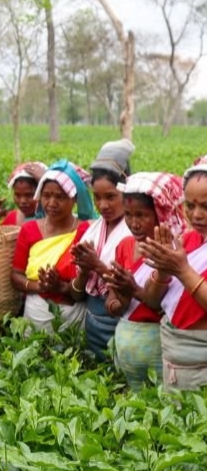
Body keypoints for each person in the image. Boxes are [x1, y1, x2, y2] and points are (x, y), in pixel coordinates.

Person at [103, 172, 185, 390]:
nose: (133, 223)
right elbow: (114, 304)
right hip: (127, 344)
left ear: (160, 214)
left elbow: (159, 304)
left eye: (141, 215)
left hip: (158, 346)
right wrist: (118, 300)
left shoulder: (174, 253)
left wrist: (132, 289)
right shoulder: (124, 246)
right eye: (128, 214)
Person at [137, 156, 207, 390]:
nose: (196, 215)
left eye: (206, 206)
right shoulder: (186, 241)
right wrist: (163, 269)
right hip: (175, 360)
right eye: (190, 205)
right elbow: (152, 300)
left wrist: (182, 270)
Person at [11, 160, 93, 331]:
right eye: (46, 196)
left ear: (74, 199)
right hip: (36, 309)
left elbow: (86, 282)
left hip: (73, 313)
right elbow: (16, 276)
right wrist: (38, 286)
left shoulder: (86, 231)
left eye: (60, 197)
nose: (51, 203)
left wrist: (62, 287)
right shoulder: (30, 229)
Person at [71, 139, 134, 359]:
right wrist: (85, 270)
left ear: (126, 193)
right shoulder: (92, 231)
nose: (103, 205)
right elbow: (76, 292)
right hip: (92, 321)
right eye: (97, 197)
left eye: (111, 197)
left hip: (121, 322)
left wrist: (97, 265)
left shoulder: (134, 233)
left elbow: (134, 289)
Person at [0, 161, 47, 226]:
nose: (22, 201)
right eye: (17, 195)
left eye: (29, 195)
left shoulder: (53, 220)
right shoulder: (12, 219)